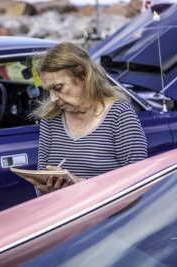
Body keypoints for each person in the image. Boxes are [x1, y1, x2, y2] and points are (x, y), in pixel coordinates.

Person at [27, 42, 147, 195]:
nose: (52, 99)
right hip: (64, 215)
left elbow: (137, 183)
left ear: (82, 74)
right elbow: (41, 185)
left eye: (58, 88)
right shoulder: (51, 118)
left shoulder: (119, 115)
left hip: (108, 215)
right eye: (49, 91)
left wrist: (79, 184)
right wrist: (45, 188)